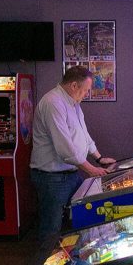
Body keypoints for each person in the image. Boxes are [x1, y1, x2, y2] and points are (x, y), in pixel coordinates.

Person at [30, 66, 115, 248]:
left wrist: (98, 158)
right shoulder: (53, 103)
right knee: (51, 228)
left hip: (69, 174)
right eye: (85, 90)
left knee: (77, 219)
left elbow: (83, 136)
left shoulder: (73, 104)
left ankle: (70, 263)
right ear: (74, 85)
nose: (86, 94)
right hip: (51, 177)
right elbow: (65, 149)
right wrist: (91, 170)